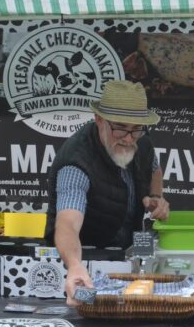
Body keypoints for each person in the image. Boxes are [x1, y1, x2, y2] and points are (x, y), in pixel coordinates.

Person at [44, 80, 170, 305]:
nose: (129, 138)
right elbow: (67, 222)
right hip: (84, 266)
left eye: (136, 129)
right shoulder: (77, 161)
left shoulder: (143, 143)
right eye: (120, 127)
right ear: (99, 120)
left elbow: (155, 169)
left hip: (124, 259)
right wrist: (74, 265)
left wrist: (157, 197)